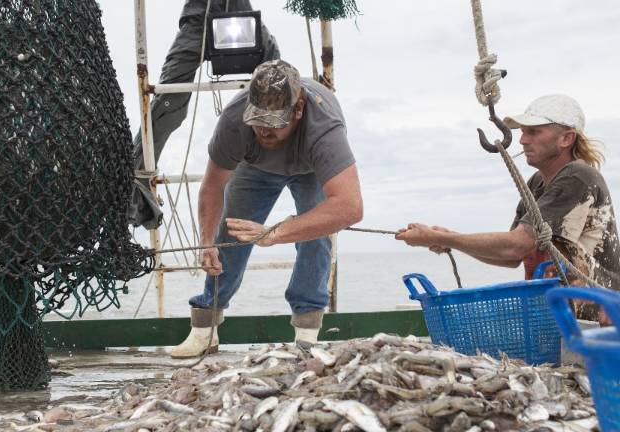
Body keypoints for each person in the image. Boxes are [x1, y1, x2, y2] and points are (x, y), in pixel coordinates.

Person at [170, 59, 363, 358]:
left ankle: (306, 334)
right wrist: (206, 241)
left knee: (315, 236)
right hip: (255, 167)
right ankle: (205, 330)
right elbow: (212, 187)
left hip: (310, 168)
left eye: (274, 124)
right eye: (257, 121)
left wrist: (275, 233)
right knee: (230, 232)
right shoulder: (235, 121)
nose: (264, 131)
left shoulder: (324, 129)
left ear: (298, 111)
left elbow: (350, 207)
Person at [396, 94, 620, 325]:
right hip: (564, 315)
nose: (522, 140)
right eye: (522, 132)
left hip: (600, 319)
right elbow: (512, 257)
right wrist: (449, 239)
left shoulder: (578, 176)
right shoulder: (537, 183)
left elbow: (516, 246)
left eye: (533, 132)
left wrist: (439, 237)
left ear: (566, 138)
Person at [128, 0, 281, 228]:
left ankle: (274, 161)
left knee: (276, 77)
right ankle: (135, 184)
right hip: (198, 16)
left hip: (242, 12)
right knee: (168, 99)